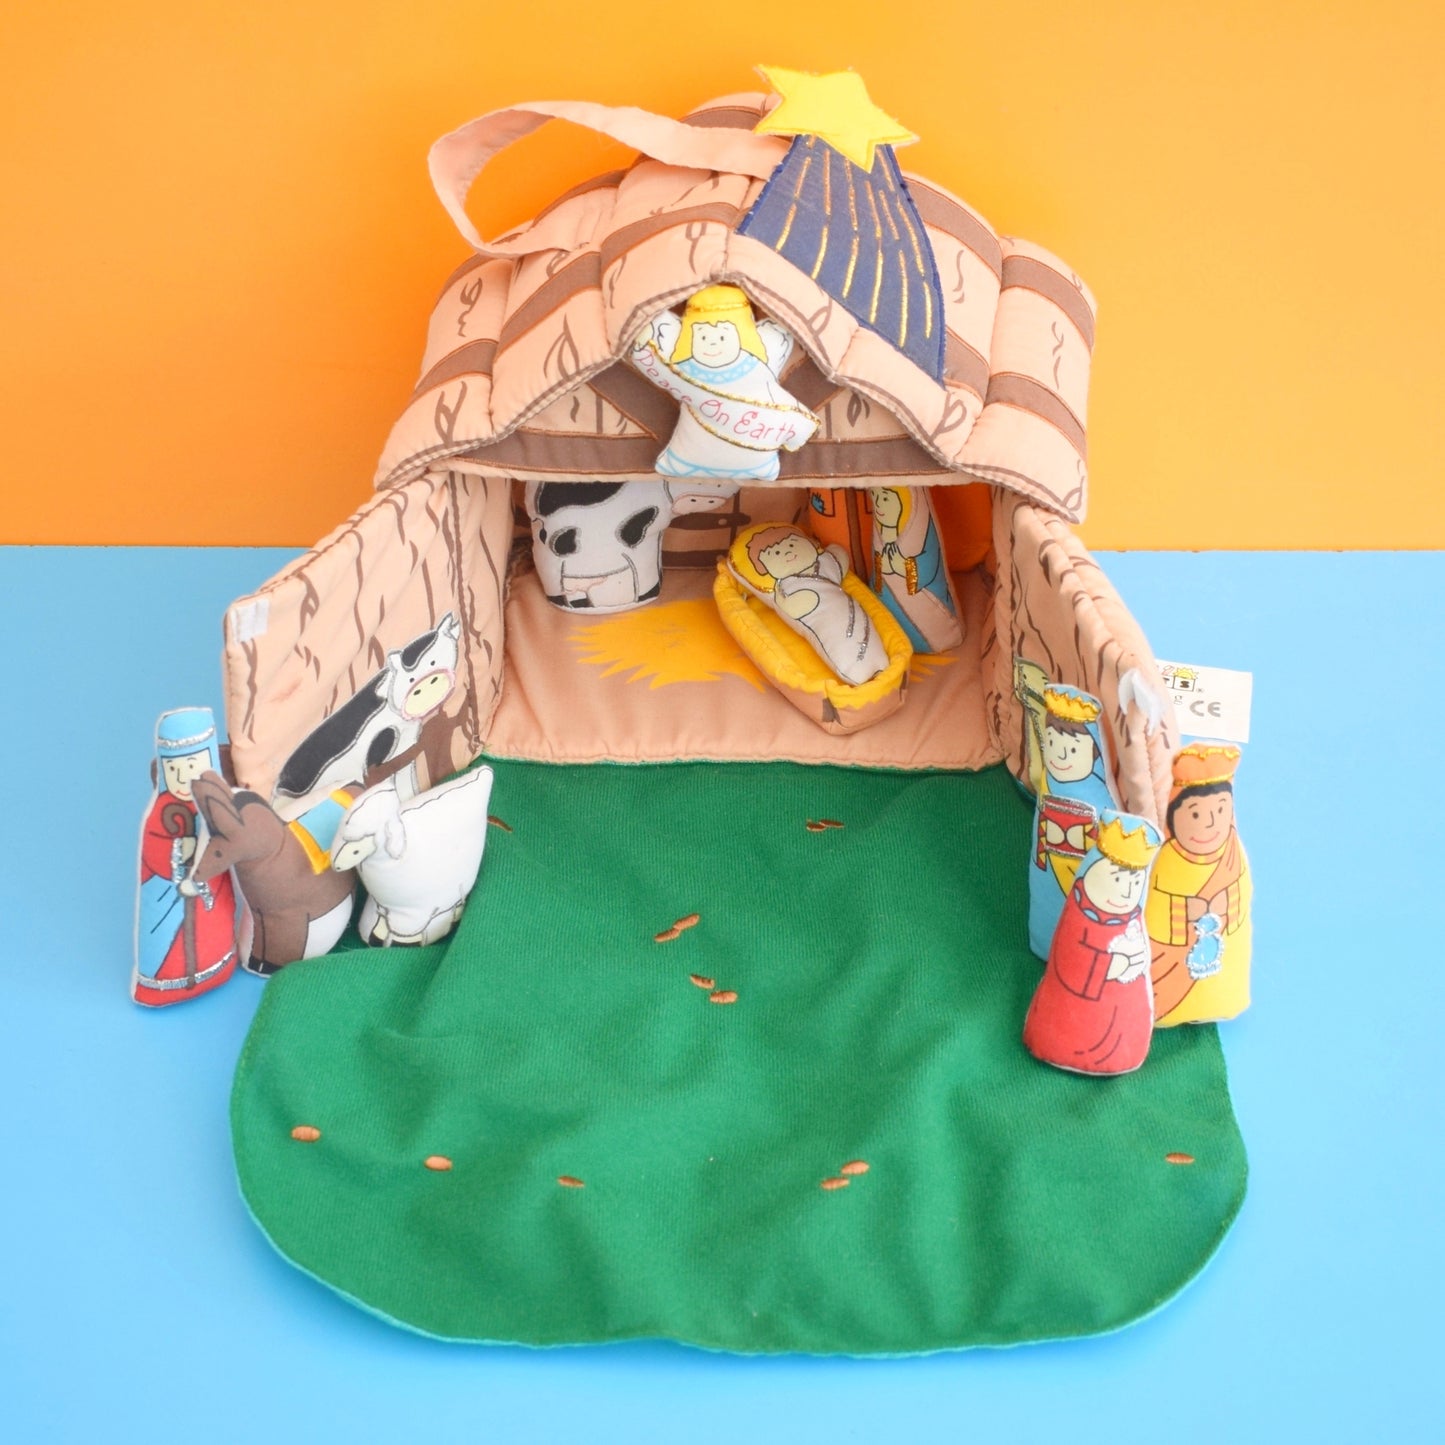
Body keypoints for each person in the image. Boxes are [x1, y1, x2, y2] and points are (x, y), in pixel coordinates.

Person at [1023, 810, 1163, 1075]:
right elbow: (1070, 960)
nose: (1126, 891)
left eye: (1135, 881)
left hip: (1120, 1031)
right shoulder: (1079, 914)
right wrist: (1113, 965)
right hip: (1074, 1018)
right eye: (1118, 878)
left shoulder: (1133, 921)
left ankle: (1124, 1049)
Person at [629, 285, 818, 481]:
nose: (712, 343)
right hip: (695, 456)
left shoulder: (760, 359)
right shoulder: (681, 363)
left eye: (721, 336)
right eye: (703, 336)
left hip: (698, 457)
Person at [132, 708, 241, 1006]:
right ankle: (166, 984)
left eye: (191, 767)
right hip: (169, 896)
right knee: (171, 945)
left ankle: (218, 962)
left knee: (214, 929)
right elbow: (156, 853)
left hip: (211, 888)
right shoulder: (161, 812)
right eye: (174, 769)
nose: (182, 778)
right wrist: (184, 849)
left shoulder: (214, 802)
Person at [1147, 743, 1252, 1025]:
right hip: (1171, 958)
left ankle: (1219, 996)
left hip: (1219, 958)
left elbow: (1238, 905)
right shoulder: (1167, 860)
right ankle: (1161, 1007)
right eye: (1195, 814)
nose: (1209, 823)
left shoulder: (1232, 854)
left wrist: (1219, 910)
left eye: (1220, 810)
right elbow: (1158, 915)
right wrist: (1190, 912)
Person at [744, 524, 889, 685]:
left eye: (792, 544)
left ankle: (872, 661)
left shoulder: (824, 564)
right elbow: (790, 604)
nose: (788, 552)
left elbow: (838, 557)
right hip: (825, 618)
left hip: (851, 610)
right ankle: (859, 666)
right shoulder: (786, 586)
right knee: (835, 635)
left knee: (860, 629)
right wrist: (801, 600)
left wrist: (834, 551)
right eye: (776, 553)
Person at [867, 486, 963, 652]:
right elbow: (878, 581)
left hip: (933, 626)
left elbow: (929, 568)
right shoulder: (880, 538)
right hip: (888, 628)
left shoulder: (921, 531)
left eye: (885, 498)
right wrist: (883, 565)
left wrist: (904, 566)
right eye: (875, 496)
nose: (879, 504)